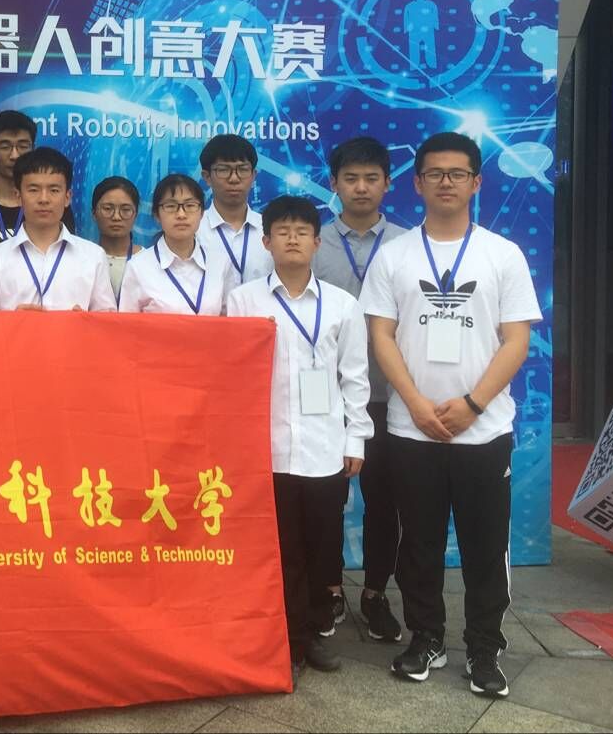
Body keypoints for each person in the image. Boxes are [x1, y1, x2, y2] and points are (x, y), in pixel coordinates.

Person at [363, 133, 540, 698]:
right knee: (417, 544)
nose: (446, 182)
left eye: (457, 173)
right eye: (435, 173)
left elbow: (516, 340)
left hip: (483, 431)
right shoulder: (394, 255)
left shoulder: (502, 254)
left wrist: (472, 404)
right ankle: (427, 638)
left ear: (476, 182)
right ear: (417, 183)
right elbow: (381, 336)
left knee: (485, 546)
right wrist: (415, 404)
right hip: (410, 428)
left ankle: (485, 647)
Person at [226, 196, 372, 686]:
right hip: (268, 448)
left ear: (317, 241)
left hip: (325, 448)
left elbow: (355, 378)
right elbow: (233, 376)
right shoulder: (244, 301)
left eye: (302, 231)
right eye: (283, 231)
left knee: (322, 547)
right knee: (280, 548)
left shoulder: (343, 306)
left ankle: (312, 631)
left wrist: (356, 440)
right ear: (266, 242)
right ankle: (288, 639)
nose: (292, 239)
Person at [312, 136, 411, 642]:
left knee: (384, 501)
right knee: (325, 500)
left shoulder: (409, 245)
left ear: (388, 183)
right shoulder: (312, 241)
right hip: (323, 396)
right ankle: (329, 590)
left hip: (389, 396)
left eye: (372, 178)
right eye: (350, 178)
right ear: (334, 183)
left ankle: (375, 593)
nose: (361, 187)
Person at [0, 147, 117, 312]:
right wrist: (14, 322)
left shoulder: (93, 257)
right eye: (33, 190)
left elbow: (106, 321)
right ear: (18, 196)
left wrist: (84, 323)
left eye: (54, 190)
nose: (44, 199)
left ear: (67, 197)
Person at [0, 109, 75, 254]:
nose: (15, 155)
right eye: (5, 147)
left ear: (33, 148)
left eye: (23, 146)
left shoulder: (54, 209)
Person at [118, 174, 227, 317]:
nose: (181, 214)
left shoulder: (219, 264)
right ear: (157, 215)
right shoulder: (138, 267)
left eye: (190, 205)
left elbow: (230, 322)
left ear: (201, 213)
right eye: (171, 206)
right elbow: (126, 325)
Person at [200, 134, 272, 294]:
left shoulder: (270, 230)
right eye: (223, 170)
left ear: (253, 176)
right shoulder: (193, 231)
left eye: (242, 170)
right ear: (207, 177)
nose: (234, 178)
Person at [90, 176, 142, 303]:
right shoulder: (84, 259)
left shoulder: (149, 262)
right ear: (94, 213)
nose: (116, 217)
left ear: (135, 214)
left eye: (126, 210)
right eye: (108, 209)